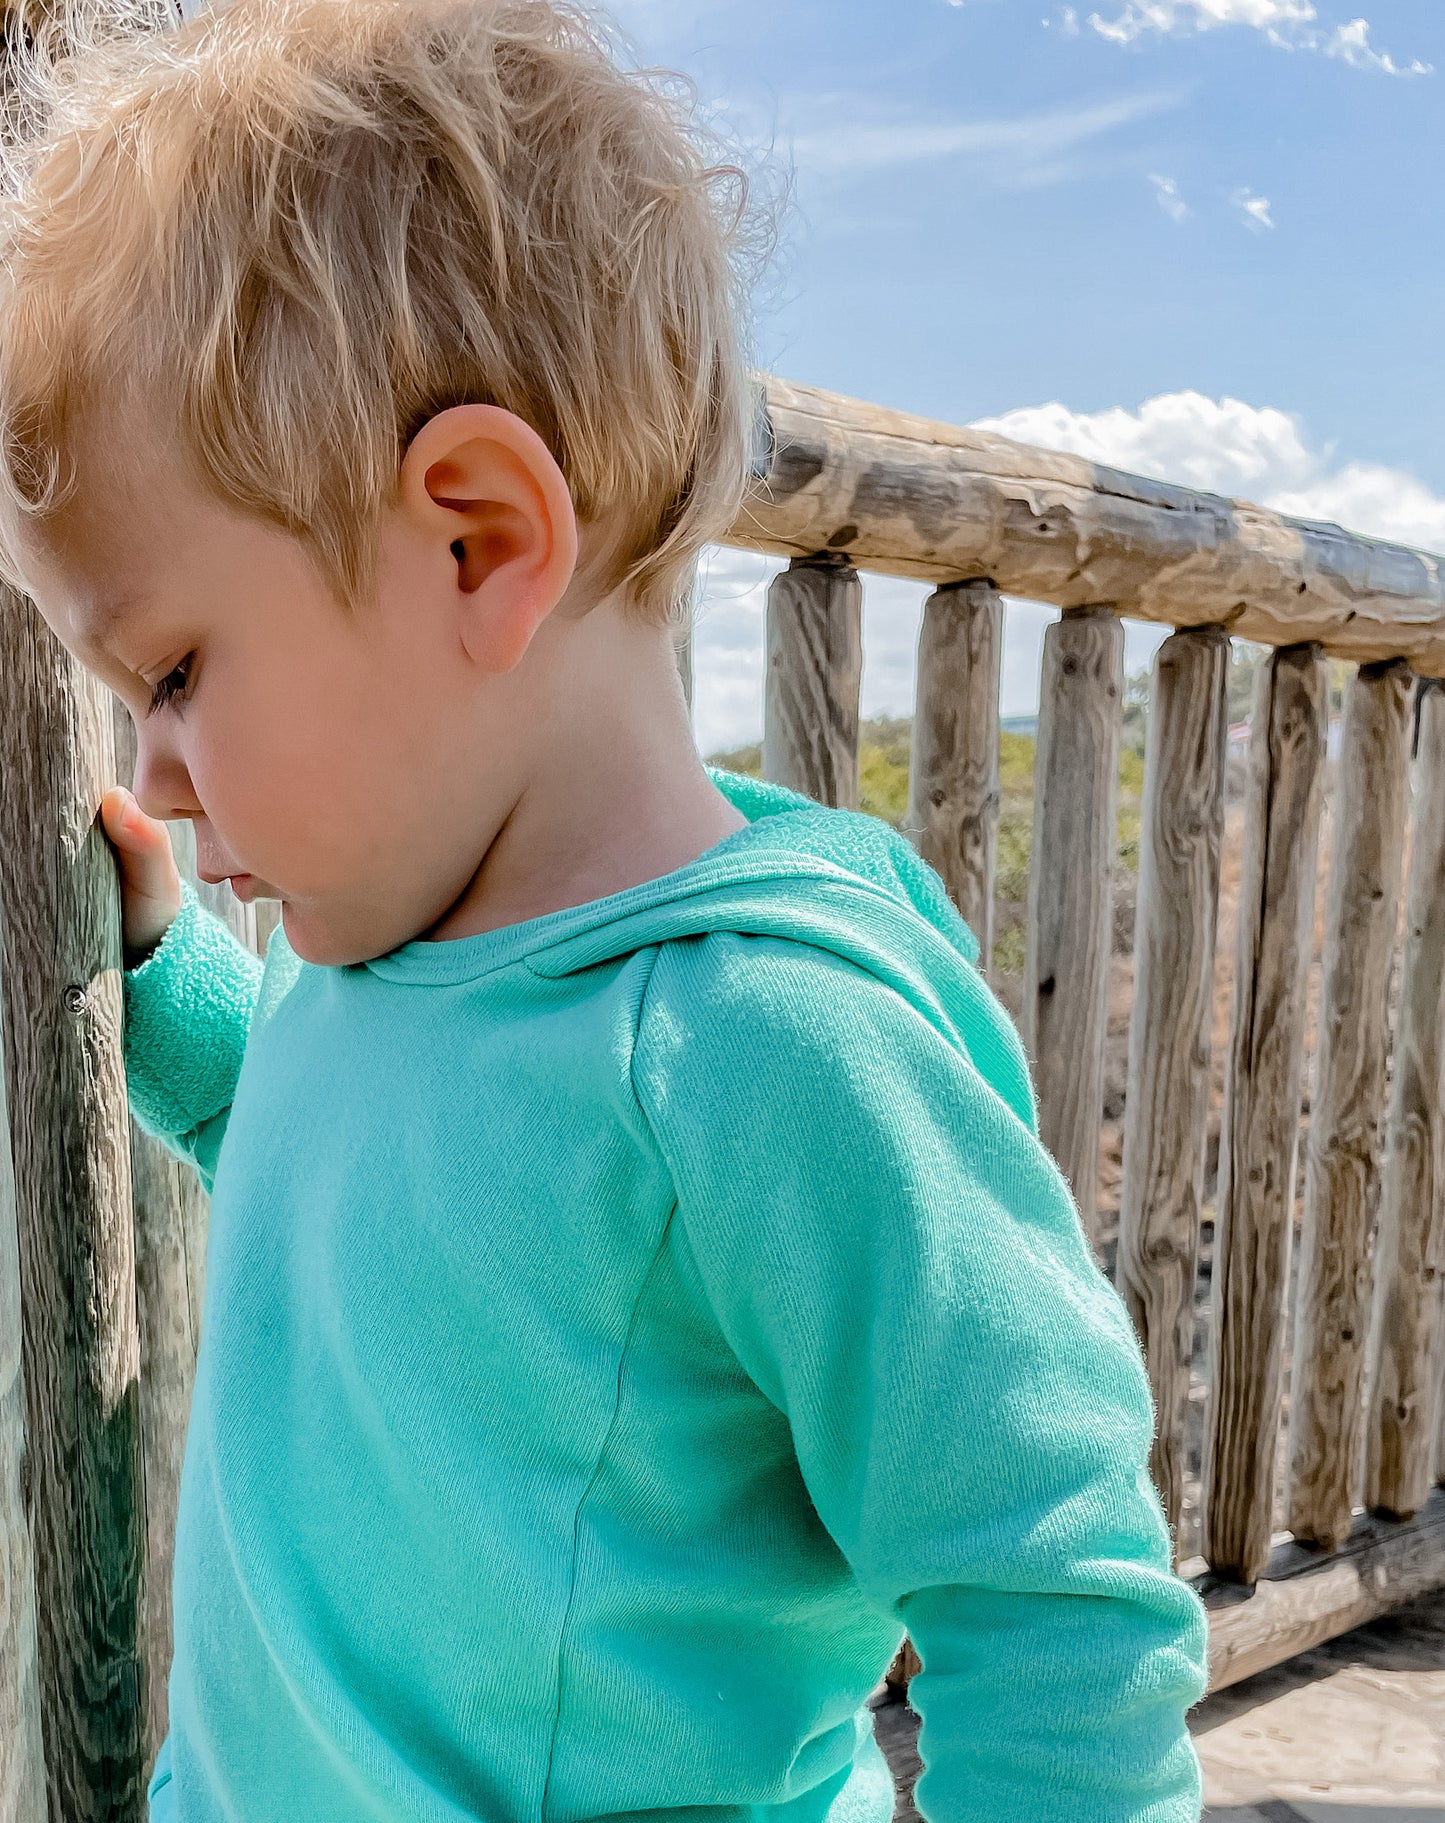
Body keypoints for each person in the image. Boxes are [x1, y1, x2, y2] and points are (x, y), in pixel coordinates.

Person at [0, 0, 1209, 1817]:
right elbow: (375, 1178)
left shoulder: (771, 1046)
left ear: (477, 537)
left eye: (169, 669)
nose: (150, 765)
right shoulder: (394, 938)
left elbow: (1048, 1604)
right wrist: (169, 969)